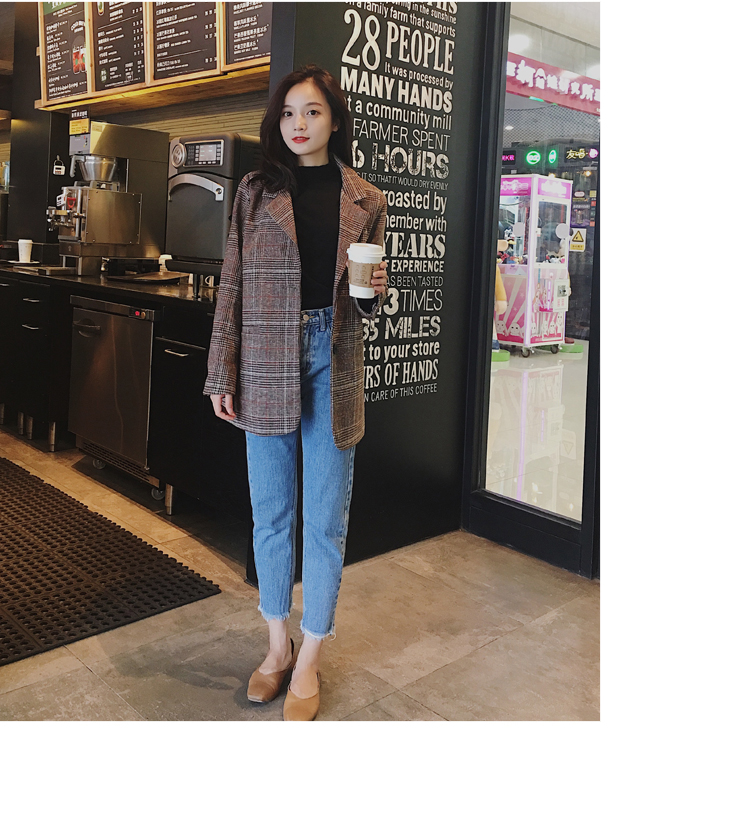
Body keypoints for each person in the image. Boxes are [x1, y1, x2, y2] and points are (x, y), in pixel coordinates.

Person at [203, 65, 388, 721]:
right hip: (265, 358)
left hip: (332, 358)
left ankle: (310, 656)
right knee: (272, 511)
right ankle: (276, 645)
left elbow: (365, 304)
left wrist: (376, 293)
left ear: (334, 119)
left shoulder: (367, 199)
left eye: (311, 111)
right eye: (287, 113)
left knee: (327, 518)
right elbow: (231, 284)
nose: (298, 124)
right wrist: (221, 372)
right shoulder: (255, 192)